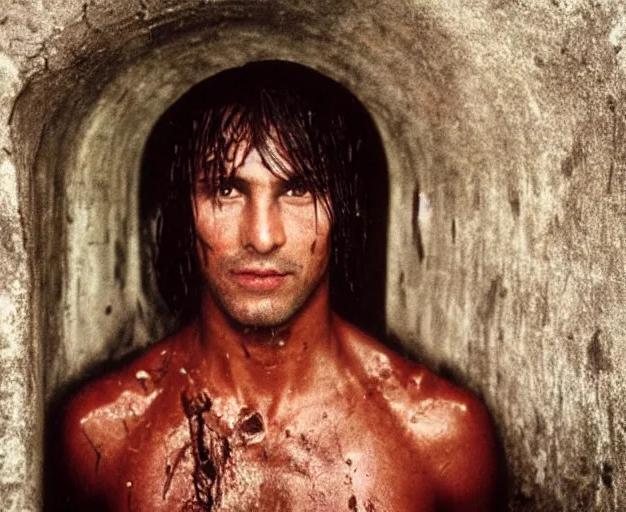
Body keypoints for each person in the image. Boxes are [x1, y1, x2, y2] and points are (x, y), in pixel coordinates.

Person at [59, 61, 500, 511]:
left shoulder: (440, 438)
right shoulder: (105, 434)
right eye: (226, 190)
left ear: (342, 211)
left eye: (298, 190)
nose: (263, 236)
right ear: (183, 210)